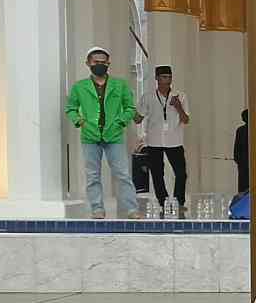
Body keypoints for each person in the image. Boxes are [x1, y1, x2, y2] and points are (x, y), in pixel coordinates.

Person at [66, 46, 141, 220]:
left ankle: (131, 209)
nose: (99, 65)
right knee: (93, 175)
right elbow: (70, 109)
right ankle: (97, 208)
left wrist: (120, 121)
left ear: (108, 63)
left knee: (122, 173)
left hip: (114, 135)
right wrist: (81, 121)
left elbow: (130, 108)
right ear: (88, 63)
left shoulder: (119, 85)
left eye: (103, 62)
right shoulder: (80, 87)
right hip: (90, 136)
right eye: (95, 62)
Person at [136, 63, 190, 216]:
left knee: (181, 173)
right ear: (157, 79)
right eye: (164, 77)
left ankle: (179, 202)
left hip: (175, 140)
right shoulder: (148, 97)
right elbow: (138, 119)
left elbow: (186, 120)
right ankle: (163, 201)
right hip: (154, 141)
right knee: (157, 173)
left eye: (169, 77)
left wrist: (178, 106)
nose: (167, 80)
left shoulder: (181, 96)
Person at [231, 108, 250, 200]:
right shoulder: (254, 129)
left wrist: (238, 160)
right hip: (248, 163)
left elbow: (236, 149)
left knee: (243, 187)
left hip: (242, 163)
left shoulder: (240, 130)